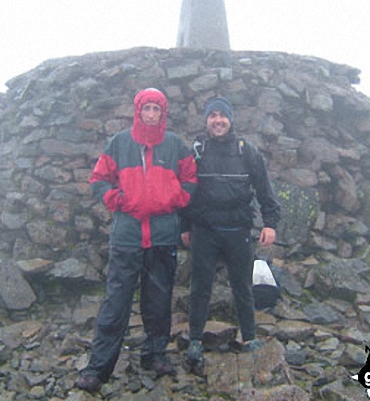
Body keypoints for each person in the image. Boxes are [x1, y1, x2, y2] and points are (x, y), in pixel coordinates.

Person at [76, 88, 197, 394]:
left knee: (158, 300)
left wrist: (175, 198)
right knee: (116, 303)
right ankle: (98, 367)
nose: (152, 114)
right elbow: (98, 179)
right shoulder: (119, 143)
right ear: (138, 111)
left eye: (157, 109)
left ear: (163, 113)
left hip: (163, 235)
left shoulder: (174, 144)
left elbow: (191, 179)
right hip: (127, 236)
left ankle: (154, 355)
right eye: (147, 109)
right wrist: (115, 198)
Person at [181, 96, 281, 369]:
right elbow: (185, 193)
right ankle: (194, 340)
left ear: (230, 120)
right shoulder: (197, 151)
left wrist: (270, 223)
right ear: (206, 121)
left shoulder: (246, 151)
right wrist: (185, 227)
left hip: (238, 230)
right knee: (200, 287)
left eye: (222, 116)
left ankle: (249, 337)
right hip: (204, 230)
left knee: (243, 287)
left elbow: (264, 190)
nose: (217, 120)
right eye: (212, 116)